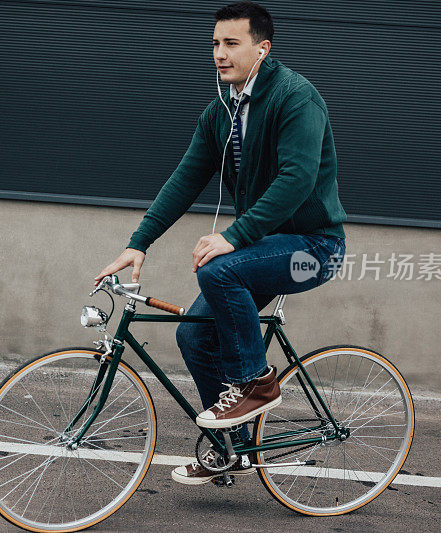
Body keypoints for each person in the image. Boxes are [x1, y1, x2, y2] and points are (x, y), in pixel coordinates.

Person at [93, 1, 347, 486]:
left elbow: (297, 180)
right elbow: (186, 178)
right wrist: (139, 242)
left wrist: (234, 235)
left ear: (262, 49)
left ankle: (257, 383)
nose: (219, 53)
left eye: (232, 43)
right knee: (193, 333)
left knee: (218, 268)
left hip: (313, 249)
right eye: (215, 44)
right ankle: (230, 448)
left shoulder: (297, 98)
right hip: (265, 249)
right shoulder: (222, 111)